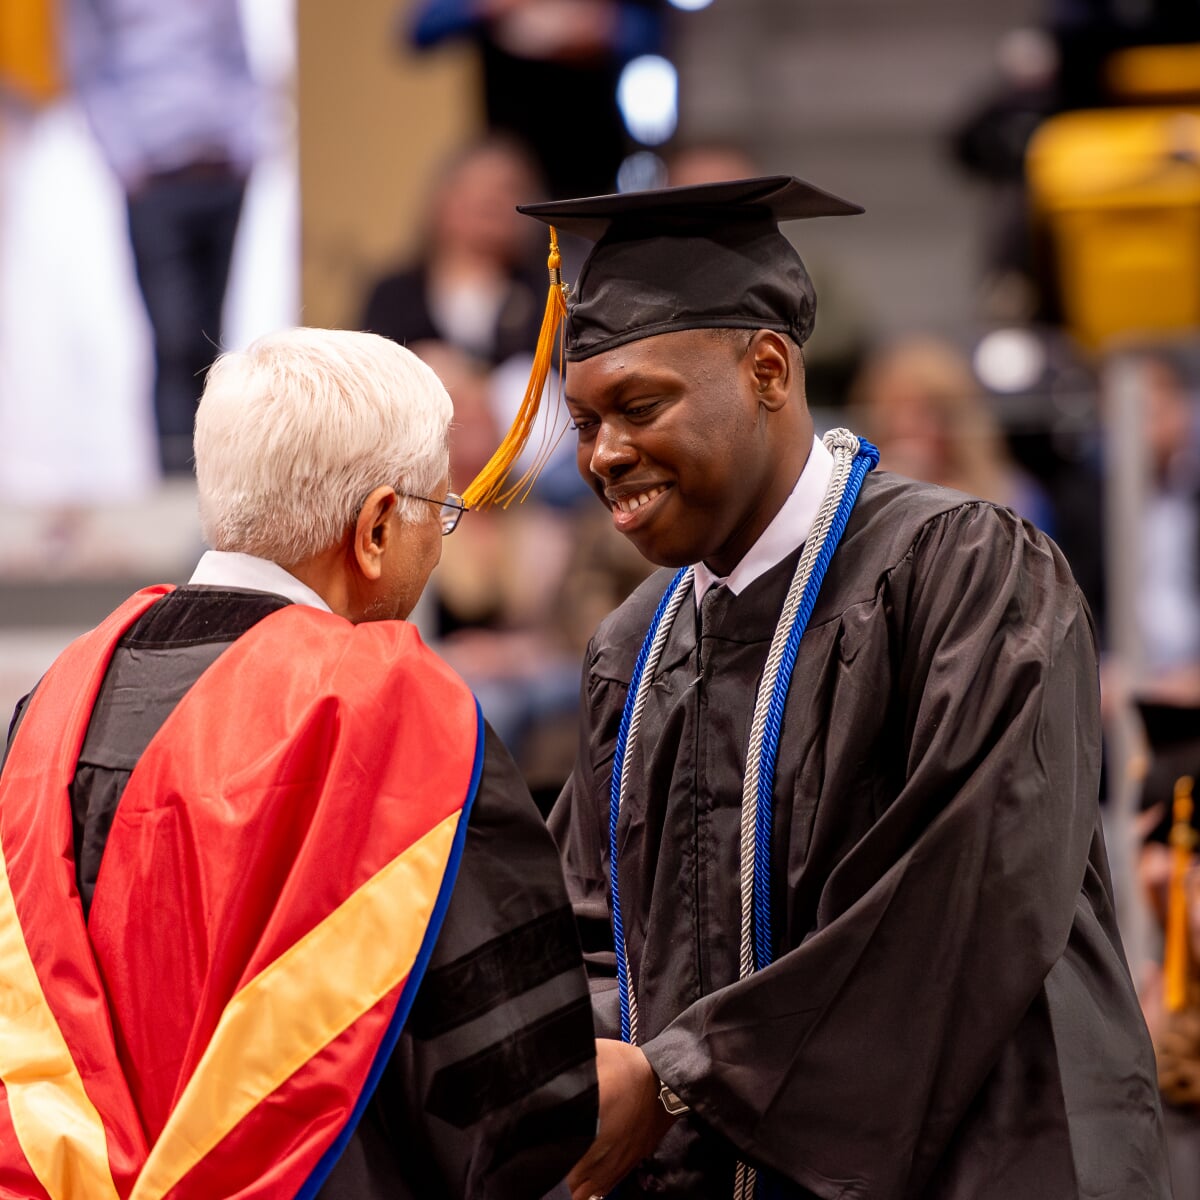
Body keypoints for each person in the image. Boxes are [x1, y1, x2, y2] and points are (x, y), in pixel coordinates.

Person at [516, 177, 1170, 1198]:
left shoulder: (961, 572)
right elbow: (595, 939)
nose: (604, 454)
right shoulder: (635, 651)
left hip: (992, 1161)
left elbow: (971, 888)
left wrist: (687, 1077)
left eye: (640, 406)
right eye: (584, 419)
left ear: (769, 369)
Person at [0, 328, 596, 1198]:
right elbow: (511, 1093)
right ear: (379, 528)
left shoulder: (53, 702)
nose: (441, 542)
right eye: (442, 511)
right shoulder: (395, 717)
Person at [65, 0, 263, 475]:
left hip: (221, 168)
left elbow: (236, 56)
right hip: (156, 176)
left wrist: (248, 142)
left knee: (212, 343)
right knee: (174, 340)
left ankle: (223, 484)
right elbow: (88, 68)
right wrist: (128, 161)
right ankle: (178, 486)